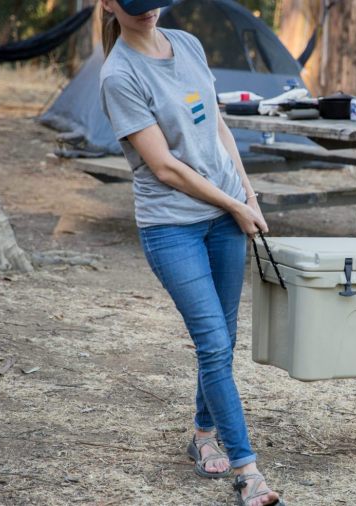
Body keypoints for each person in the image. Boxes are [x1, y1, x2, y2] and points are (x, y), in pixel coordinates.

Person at [98, 1, 283, 504]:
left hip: (224, 213)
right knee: (213, 343)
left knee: (223, 336)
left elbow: (217, 125)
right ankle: (248, 470)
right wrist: (233, 205)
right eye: (135, 4)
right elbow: (165, 168)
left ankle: (203, 435)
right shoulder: (119, 75)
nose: (148, 11)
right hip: (172, 225)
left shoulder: (188, 44)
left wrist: (246, 194)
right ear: (110, 4)